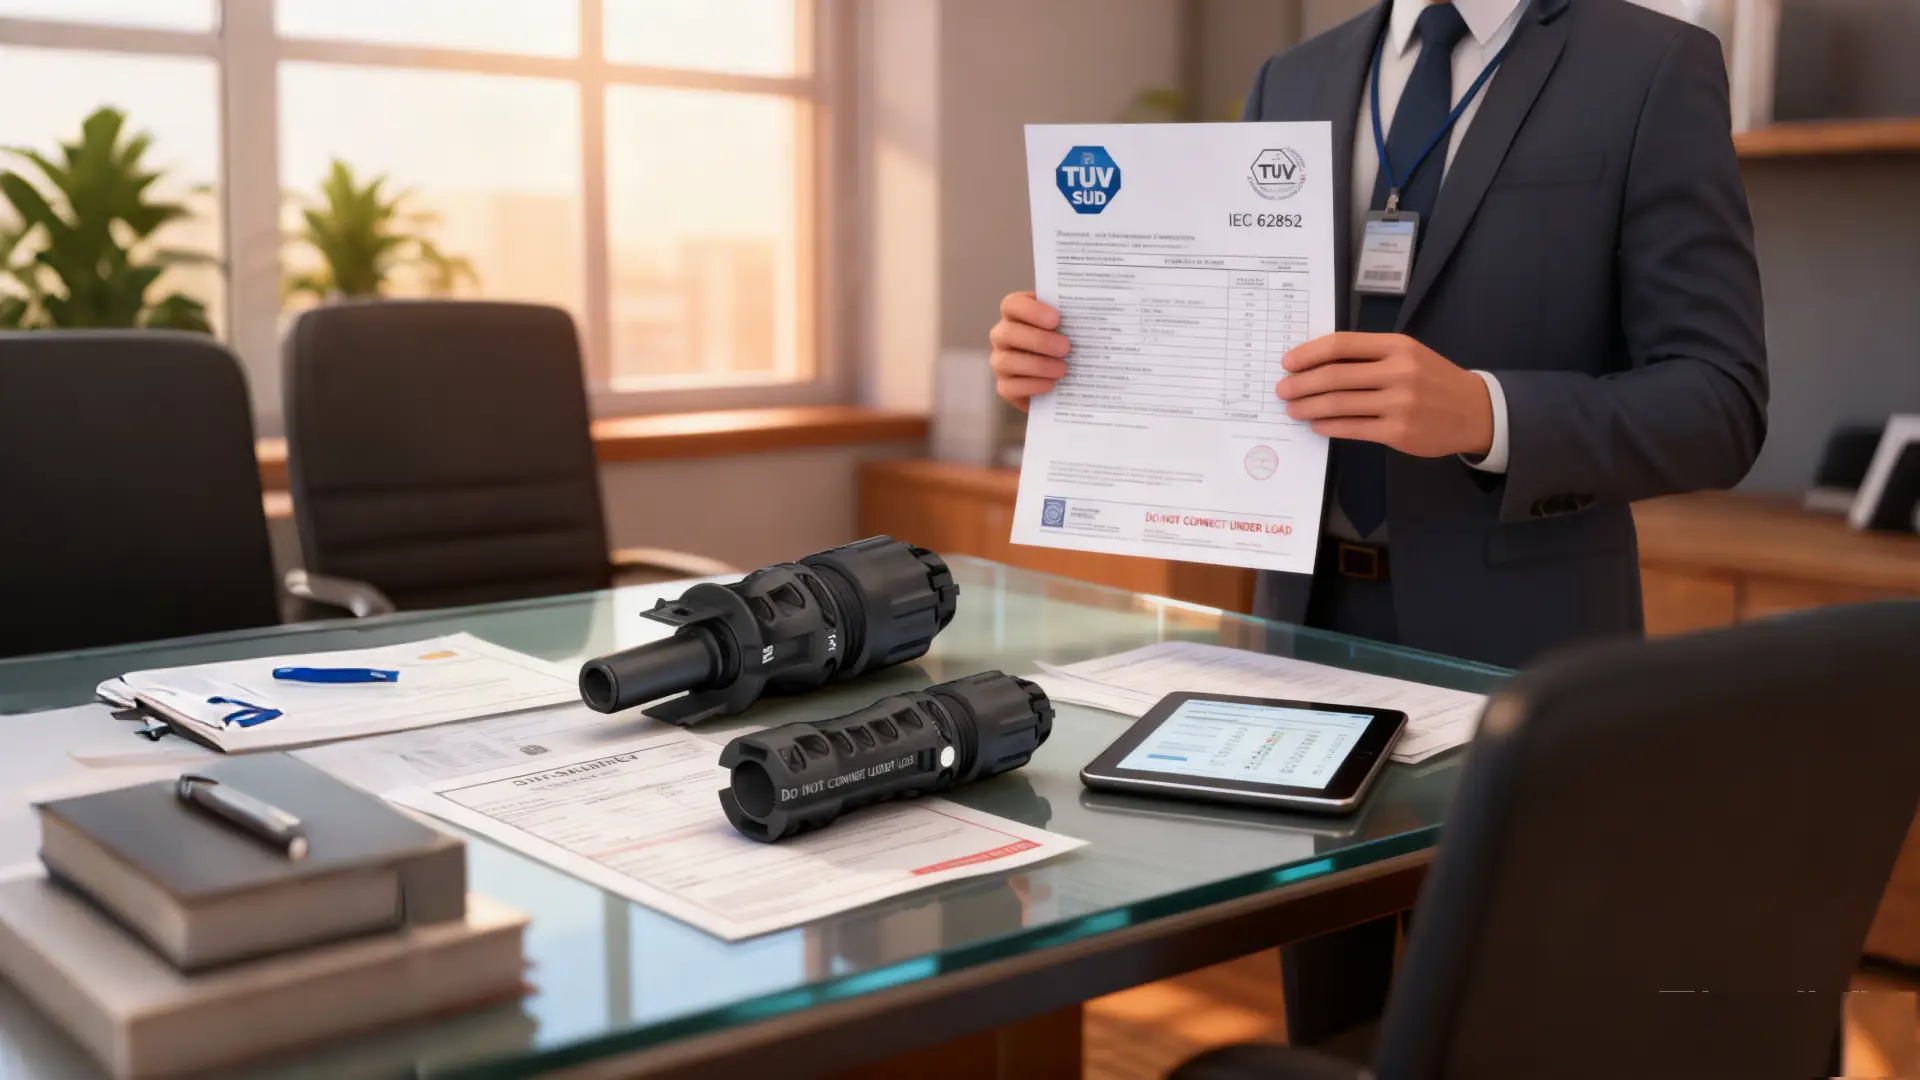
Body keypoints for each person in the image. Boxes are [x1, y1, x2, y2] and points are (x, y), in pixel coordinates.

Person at [988, 0, 1768, 1048]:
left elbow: (1721, 402)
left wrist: (1483, 411)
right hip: (1301, 631)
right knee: (1332, 1025)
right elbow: (1233, 333)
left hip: (1524, 651)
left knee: (1518, 1039)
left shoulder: (1654, 64)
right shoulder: (1293, 78)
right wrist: (1070, 368)